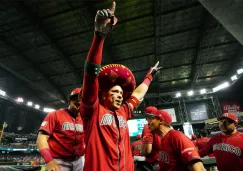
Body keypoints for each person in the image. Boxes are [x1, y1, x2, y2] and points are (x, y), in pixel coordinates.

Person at [80, 2, 161, 171]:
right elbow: (90, 75)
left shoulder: (124, 111)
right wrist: (99, 36)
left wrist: (149, 77)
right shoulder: (92, 110)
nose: (119, 95)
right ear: (102, 94)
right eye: (114, 92)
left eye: (121, 93)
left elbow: (138, 94)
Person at [37, 88, 85, 171]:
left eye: (82, 105)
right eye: (76, 104)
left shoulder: (85, 118)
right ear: (69, 101)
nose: (79, 108)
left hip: (79, 160)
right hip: (59, 160)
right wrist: (49, 161)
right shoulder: (55, 115)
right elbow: (41, 138)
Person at [141, 106, 161, 171]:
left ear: (147, 117)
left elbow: (147, 150)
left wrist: (141, 154)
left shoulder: (148, 127)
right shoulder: (163, 125)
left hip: (154, 163)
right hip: (165, 160)